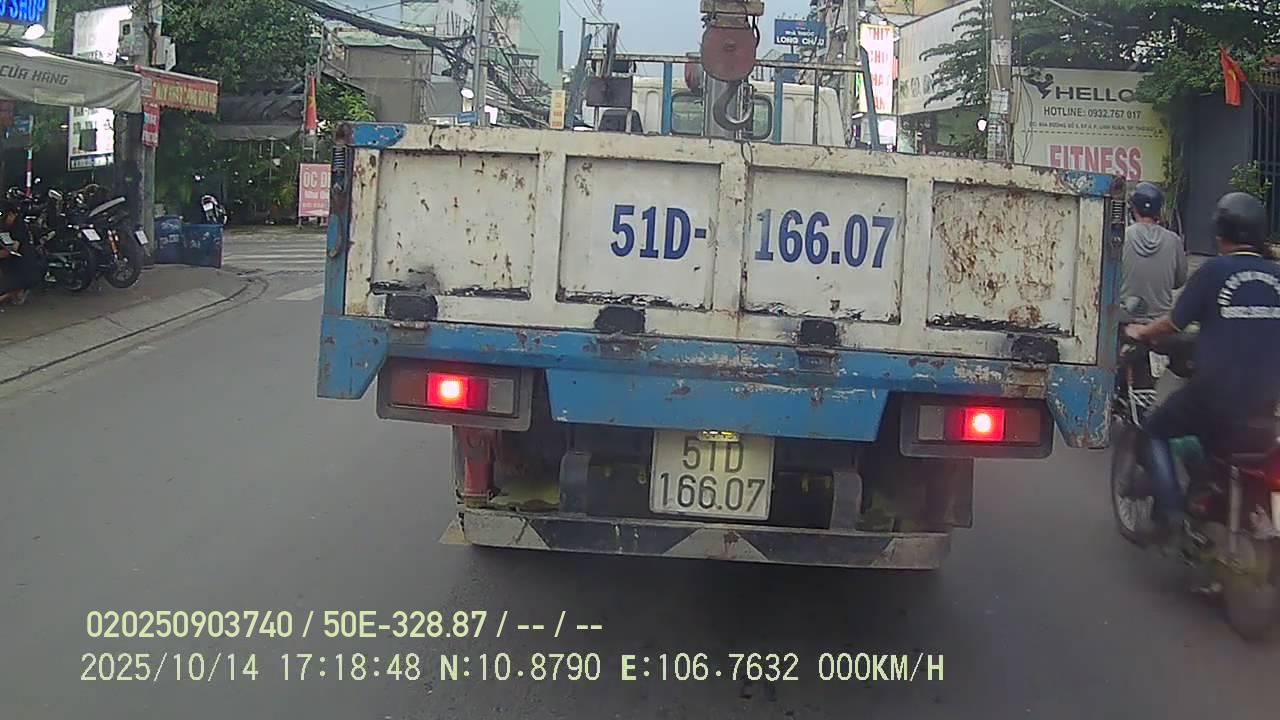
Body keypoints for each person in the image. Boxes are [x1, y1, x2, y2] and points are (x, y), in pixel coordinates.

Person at [1126, 192, 1280, 541]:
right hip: (1264, 404)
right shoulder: (1276, 275)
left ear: (1220, 232)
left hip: (1213, 398)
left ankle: (1168, 515)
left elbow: (1172, 325)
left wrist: (1141, 332)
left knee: (1154, 430)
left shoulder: (1214, 271)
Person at [1121, 182, 1187, 321]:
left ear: (1133, 209)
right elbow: (1180, 281)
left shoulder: (1122, 237)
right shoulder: (1173, 240)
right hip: (1159, 323)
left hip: (1125, 319)